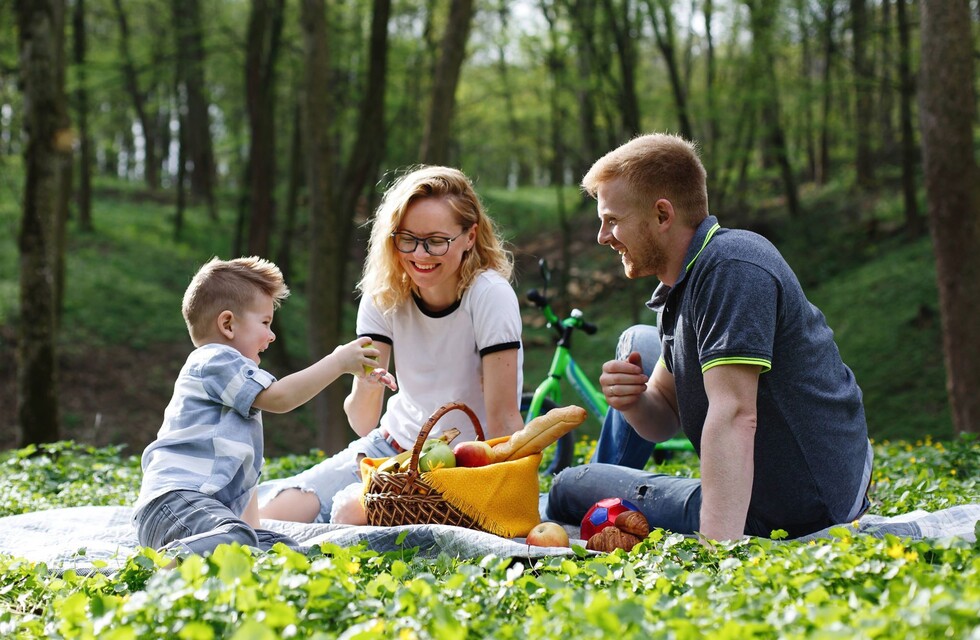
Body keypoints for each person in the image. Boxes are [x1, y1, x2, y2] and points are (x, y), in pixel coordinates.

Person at [547, 133, 873, 541]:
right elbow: (663, 413)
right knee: (639, 339)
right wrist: (632, 401)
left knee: (567, 487)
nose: (602, 236)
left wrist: (716, 552)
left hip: (794, 507)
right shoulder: (687, 282)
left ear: (662, 215)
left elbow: (736, 413)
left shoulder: (731, 268)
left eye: (612, 220)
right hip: (805, 493)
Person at [258, 166, 525, 524]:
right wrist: (368, 382)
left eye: (436, 240)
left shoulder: (489, 295)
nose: (420, 254)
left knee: (352, 515)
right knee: (273, 516)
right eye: (407, 239)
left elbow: (504, 419)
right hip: (390, 448)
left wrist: (503, 498)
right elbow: (363, 421)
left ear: (469, 236)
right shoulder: (385, 293)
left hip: (461, 465)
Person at [132, 256, 392, 558]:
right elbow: (281, 398)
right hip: (174, 505)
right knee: (235, 537)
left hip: (203, 515)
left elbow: (245, 493)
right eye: (265, 322)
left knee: (287, 550)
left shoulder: (234, 389)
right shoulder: (215, 359)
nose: (272, 335)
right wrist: (337, 363)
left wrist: (259, 539)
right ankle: (163, 565)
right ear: (227, 324)